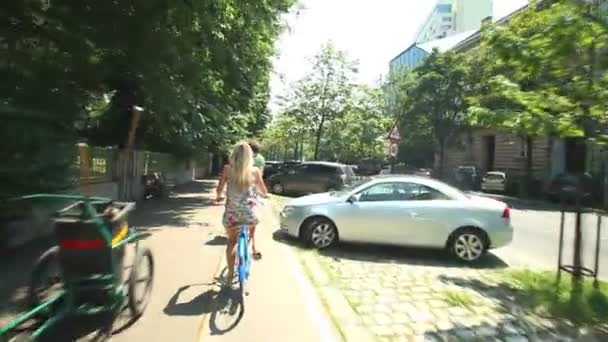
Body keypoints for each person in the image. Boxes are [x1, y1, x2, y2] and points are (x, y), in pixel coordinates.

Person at [215, 141, 268, 283]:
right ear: (250, 156)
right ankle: (250, 249)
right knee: (250, 228)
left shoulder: (227, 169)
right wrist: (265, 194)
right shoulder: (255, 171)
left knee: (231, 242)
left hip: (232, 216)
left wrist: (218, 197)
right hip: (250, 216)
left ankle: (231, 274)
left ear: (233, 154)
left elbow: (220, 188)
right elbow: (263, 190)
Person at [247, 139, 265, 259]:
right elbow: (260, 176)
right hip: (253, 191)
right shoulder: (260, 159)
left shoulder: (242, 157)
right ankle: (253, 246)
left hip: (238, 191)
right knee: (253, 219)